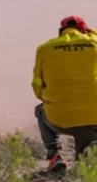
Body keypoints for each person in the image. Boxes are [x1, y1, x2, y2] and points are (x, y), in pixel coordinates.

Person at [33, 15, 97, 173]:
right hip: (94, 115)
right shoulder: (94, 42)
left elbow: (37, 88)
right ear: (84, 30)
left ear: (61, 31)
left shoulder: (44, 49)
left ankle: (55, 155)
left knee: (40, 110)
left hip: (60, 117)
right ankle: (91, 148)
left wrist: (53, 98)